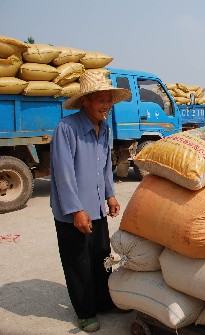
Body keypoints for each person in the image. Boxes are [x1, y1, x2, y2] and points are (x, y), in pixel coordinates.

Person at [50, 71, 131, 332]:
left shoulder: (104, 128)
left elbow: (106, 165)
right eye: (101, 100)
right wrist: (76, 210)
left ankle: (103, 301)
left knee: (101, 256)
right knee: (78, 262)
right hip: (73, 212)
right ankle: (85, 311)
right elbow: (63, 173)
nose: (106, 105)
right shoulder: (67, 128)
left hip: (96, 207)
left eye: (109, 100)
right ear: (85, 101)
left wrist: (110, 194)